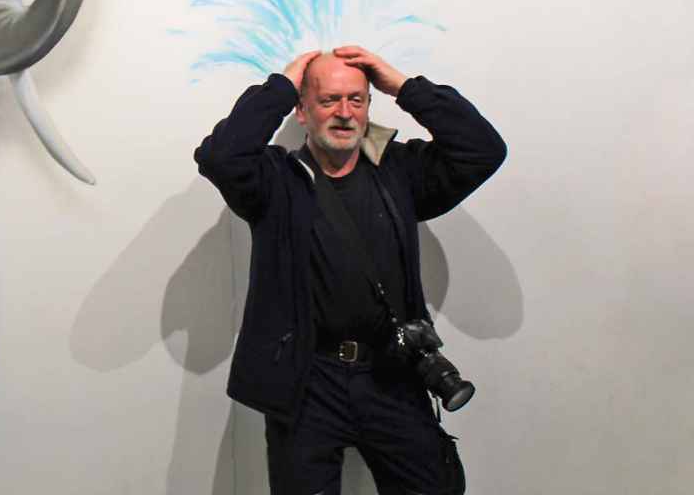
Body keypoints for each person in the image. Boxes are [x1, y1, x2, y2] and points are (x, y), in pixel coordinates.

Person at [194, 46, 506, 495]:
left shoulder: (399, 171)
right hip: (305, 382)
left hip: (393, 372)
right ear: (302, 111)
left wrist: (403, 86)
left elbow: (483, 150)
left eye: (356, 100)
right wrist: (281, 86)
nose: (344, 113)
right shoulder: (274, 181)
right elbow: (220, 158)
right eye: (328, 100)